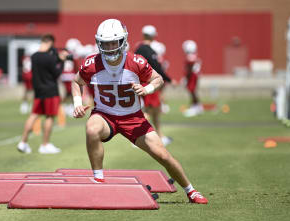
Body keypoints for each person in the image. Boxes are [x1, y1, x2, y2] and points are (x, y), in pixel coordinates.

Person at [71, 19, 208, 204]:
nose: (110, 47)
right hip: (105, 115)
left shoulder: (135, 61)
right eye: (106, 43)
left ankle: (191, 190)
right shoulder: (92, 63)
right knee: (91, 128)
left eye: (114, 42)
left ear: (123, 41)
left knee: (163, 155)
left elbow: (158, 79)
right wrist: (77, 102)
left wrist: (147, 89)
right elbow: (76, 81)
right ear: (99, 43)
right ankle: (98, 178)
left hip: (133, 118)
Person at [17, 34, 69, 154]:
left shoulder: (34, 56)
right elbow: (56, 74)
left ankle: (23, 142)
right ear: (50, 42)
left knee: (34, 115)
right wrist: (62, 61)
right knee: (49, 117)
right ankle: (45, 145)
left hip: (38, 90)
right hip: (50, 90)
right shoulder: (49, 57)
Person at [135, 25, 173, 146]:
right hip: (149, 83)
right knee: (150, 111)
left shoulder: (139, 49)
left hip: (144, 82)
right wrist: (168, 79)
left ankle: (160, 136)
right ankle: (137, 137)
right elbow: (157, 68)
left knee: (154, 111)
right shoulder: (148, 50)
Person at [182, 40, 203, 117]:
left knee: (192, 90)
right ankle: (196, 106)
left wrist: (186, 77)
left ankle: (196, 106)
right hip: (194, 75)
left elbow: (190, 67)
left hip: (192, 75)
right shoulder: (194, 55)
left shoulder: (191, 56)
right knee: (192, 91)